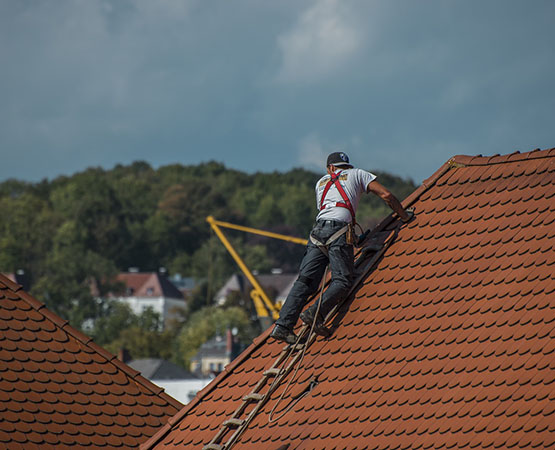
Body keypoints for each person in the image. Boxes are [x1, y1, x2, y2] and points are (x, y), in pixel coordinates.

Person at [270, 151, 413, 344]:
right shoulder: (358, 174)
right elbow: (386, 195)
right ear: (346, 166)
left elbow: (329, 210)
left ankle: (283, 326)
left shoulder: (320, 183)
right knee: (343, 280)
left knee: (305, 282)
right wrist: (404, 216)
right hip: (338, 231)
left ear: (330, 168)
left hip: (317, 233)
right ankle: (314, 313)